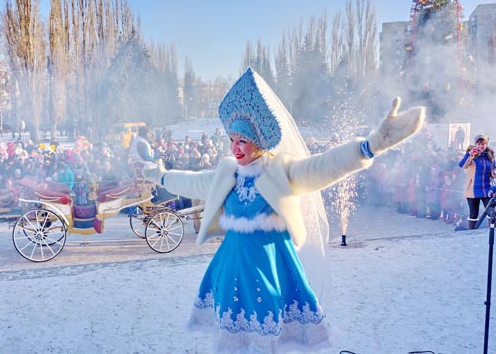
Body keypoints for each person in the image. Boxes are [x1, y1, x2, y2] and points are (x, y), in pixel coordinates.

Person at [142, 68, 425, 352]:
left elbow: (322, 167)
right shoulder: (227, 173)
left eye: (242, 140)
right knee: (232, 340)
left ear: (258, 141)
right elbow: (192, 182)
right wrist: (160, 175)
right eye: (231, 139)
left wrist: (369, 147)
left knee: (268, 338)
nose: (235, 147)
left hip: (270, 267)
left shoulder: (279, 171)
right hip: (231, 267)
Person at [457, 134, 495, 230]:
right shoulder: (471, 155)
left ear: (486, 145)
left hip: (487, 189)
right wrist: (469, 154)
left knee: (491, 211)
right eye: (478, 144)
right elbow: (462, 165)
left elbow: (492, 174)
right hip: (472, 189)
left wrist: (494, 172)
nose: (481, 146)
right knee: (473, 214)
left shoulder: (490, 157)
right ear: (475, 144)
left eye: (483, 144)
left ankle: (492, 230)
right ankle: (471, 232)